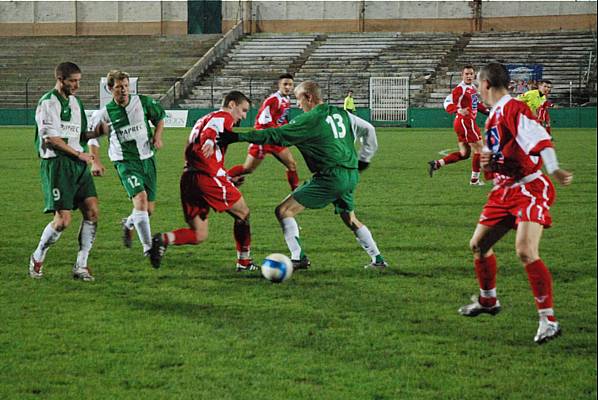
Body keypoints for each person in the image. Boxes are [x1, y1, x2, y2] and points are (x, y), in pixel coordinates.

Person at [458, 63, 573, 344]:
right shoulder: (495, 114)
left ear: (485, 84)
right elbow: (503, 151)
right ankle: (488, 301)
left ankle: (549, 321)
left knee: (525, 250)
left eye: (478, 86)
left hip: (528, 187)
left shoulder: (513, 109)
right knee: (479, 245)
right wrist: (489, 158)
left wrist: (554, 168)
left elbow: (540, 138)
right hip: (504, 190)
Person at [218, 81, 387, 270]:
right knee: (350, 219)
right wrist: (365, 159)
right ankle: (378, 260)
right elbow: (369, 129)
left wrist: (238, 137)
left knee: (283, 211)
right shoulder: (341, 113)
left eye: (298, 100)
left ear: (308, 97)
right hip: (350, 174)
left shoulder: (310, 119)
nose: (298, 105)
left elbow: (276, 134)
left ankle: (298, 257)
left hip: (330, 177)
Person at [149, 91, 257, 271]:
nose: (244, 116)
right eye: (243, 110)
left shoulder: (204, 117)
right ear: (232, 105)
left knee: (199, 234)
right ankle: (244, 262)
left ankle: (164, 239)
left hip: (189, 177)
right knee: (243, 213)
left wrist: (226, 176)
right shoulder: (224, 116)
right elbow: (213, 130)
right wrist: (209, 140)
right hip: (206, 177)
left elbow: (203, 147)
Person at [29, 62, 99, 281]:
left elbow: (78, 136)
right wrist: (79, 155)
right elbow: (51, 139)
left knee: (92, 212)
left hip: (78, 165)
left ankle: (81, 265)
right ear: (60, 79)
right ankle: (38, 255)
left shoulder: (76, 103)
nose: (77, 85)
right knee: (63, 221)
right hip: (57, 164)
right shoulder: (48, 102)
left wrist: (97, 132)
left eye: (79, 80)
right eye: (73, 81)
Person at [88, 70, 165, 263]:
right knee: (140, 199)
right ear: (109, 88)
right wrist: (95, 161)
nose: (123, 90)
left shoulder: (143, 102)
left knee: (147, 210)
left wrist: (157, 136)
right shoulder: (104, 114)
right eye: (118, 87)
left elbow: (159, 118)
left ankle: (129, 223)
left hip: (147, 159)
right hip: (125, 162)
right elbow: (93, 140)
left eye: (125, 86)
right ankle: (149, 250)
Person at [227, 73, 300, 191]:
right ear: (279, 85)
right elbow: (263, 121)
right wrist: (280, 132)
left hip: (274, 139)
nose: (287, 87)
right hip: (263, 139)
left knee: (291, 165)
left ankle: (296, 192)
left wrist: (287, 129)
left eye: (290, 85)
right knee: (248, 169)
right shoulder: (272, 100)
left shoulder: (286, 99)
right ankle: (225, 178)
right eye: (285, 84)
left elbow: (280, 120)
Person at [429, 65, 489, 186]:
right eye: (466, 74)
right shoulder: (460, 89)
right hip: (466, 122)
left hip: (462, 123)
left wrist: (489, 112)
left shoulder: (472, 88)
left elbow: (476, 104)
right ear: (462, 75)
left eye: (471, 74)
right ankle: (474, 180)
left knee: (464, 154)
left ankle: (438, 163)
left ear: (474, 75)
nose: (469, 76)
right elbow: (447, 102)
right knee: (480, 150)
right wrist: (457, 110)